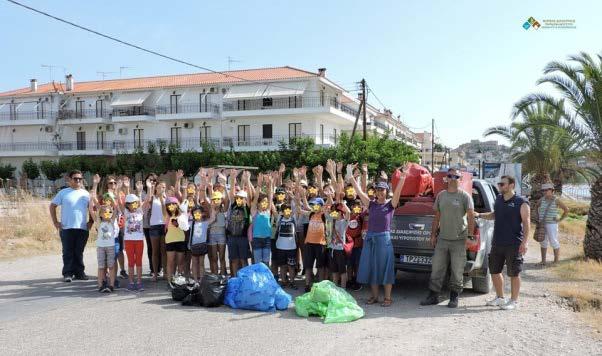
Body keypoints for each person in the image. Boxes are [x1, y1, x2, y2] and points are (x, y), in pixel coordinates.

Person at [349, 164, 406, 307]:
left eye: (382, 190)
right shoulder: (371, 204)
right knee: (372, 267)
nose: (380, 192)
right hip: (370, 239)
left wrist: (403, 177)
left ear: (387, 191)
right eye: (378, 189)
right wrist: (351, 176)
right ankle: (374, 296)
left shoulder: (390, 204)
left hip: (384, 239)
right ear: (375, 191)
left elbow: (398, 192)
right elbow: (359, 191)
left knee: (386, 268)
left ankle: (387, 298)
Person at [420, 168, 475, 308]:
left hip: (459, 240)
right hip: (442, 239)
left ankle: (454, 297)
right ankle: (433, 296)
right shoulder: (441, 195)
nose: (452, 178)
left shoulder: (465, 196)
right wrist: (433, 235)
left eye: (455, 176)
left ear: (460, 179)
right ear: (446, 178)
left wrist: (470, 236)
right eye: (450, 176)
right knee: (437, 268)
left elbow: (471, 217)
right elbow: (437, 217)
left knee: (457, 270)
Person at [476, 175, 530, 310]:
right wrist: (480, 215)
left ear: (511, 185)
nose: (500, 186)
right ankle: (500, 298)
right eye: (499, 184)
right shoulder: (499, 199)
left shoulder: (521, 202)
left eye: (502, 184)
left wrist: (525, 242)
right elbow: (495, 215)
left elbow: (527, 222)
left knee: (514, 273)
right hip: (497, 242)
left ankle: (514, 301)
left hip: (514, 243)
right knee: (494, 270)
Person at [49, 170, 91, 282]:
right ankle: (68, 273)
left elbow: (92, 209)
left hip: (82, 227)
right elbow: (52, 206)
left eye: (80, 179)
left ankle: (79, 273)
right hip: (66, 228)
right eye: (75, 178)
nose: (78, 181)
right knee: (67, 252)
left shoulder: (86, 194)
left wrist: (91, 221)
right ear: (69, 180)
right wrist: (55, 222)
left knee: (79, 251)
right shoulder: (63, 193)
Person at [226, 171, 252, 276]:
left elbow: (250, 196)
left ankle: (245, 279)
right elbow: (232, 194)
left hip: (242, 238)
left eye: (241, 198)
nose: (239, 199)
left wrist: (247, 180)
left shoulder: (247, 207)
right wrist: (232, 179)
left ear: (245, 199)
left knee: (243, 260)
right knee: (234, 260)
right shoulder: (233, 206)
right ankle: (235, 279)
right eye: (238, 198)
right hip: (232, 237)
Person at [536, 183, 568, 265]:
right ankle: (543, 261)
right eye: (543, 190)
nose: (545, 191)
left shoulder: (556, 200)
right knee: (543, 241)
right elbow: (536, 207)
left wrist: (560, 219)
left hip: (552, 224)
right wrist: (538, 217)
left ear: (552, 190)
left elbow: (566, 209)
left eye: (547, 190)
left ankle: (556, 261)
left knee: (553, 241)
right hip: (542, 224)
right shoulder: (541, 200)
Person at [89, 194, 116, 293]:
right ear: (100, 214)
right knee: (101, 266)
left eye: (109, 211)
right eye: (105, 212)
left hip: (110, 247)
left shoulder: (112, 221)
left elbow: (115, 208)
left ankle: (111, 285)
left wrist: (111, 199)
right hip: (101, 247)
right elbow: (92, 210)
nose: (107, 213)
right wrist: (92, 198)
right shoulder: (98, 222)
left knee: (111, 266)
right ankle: (100, 285)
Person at [121, 191, 146, 292]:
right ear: (127, 205)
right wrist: (119, 189)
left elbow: (145, 200)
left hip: (139, 240)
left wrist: (141, 191)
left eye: (135, 202)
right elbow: (118, 203)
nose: (134, 205)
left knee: (139, 261)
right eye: (131, 203)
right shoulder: (126, 213)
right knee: (131, 262)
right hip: (129, 240)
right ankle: (131, 282)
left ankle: (139, 282)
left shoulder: (140, 211)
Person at [145, 178, 167, 282]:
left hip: (164, 226)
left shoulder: (166, 198)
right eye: (160, 187)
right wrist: (150, 188)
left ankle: (165, 273)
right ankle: (155, 273)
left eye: (163, 187)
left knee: (164, 251)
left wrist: (163, 200)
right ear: (156, 188)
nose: (162, 189)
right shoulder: (152, 198)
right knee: (155, 251)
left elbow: (165, 214)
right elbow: (147, 203)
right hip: (154, 226)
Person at [251, 175, 276, 266]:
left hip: (267, 239)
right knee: (258, 263)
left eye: (266, 202)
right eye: (263, 201)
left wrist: (270, 184)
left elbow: (270, 196)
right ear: (258, 203)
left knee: (266, 262)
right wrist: (259, 184)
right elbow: (256, 197)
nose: (265, 203)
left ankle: (265, 279)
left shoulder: (268, 211)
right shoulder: (254, 211)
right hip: (257, 239)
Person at [164, 196, 189, 284]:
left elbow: (186, 227)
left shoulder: (182, 214)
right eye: (169, 205)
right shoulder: (167, 215)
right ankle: (170, 281)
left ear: (177, 205)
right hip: (169, 241)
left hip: (180, 240)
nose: (171, 206)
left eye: (173, 204)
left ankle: (180, 281)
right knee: (170, 262)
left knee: (180, 262)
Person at [189, 205, 215, 282]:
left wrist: (212, 208)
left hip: (202, 245)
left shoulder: (205, 223)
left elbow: (213, 218)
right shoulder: (191, 223)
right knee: (194, 263)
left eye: (199, 213)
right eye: (195, 213)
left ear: (202, 213)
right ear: (192, 214)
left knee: (201, 263)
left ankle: (201, 280)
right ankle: (195, 280)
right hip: (193, 245)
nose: (197, 214)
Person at [275, 203, 298, 289]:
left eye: (289, 211)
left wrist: (293, 199)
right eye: (285, 211)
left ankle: (292, 282)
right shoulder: (280, 218)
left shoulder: (293, 218)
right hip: (280, 247)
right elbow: (277, 227)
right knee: (282, 266)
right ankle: (284, 281)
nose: (287, 212)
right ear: (282, 212)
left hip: (291, 247)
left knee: (291, 266)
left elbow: (296, 208)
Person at [329, 202, 350, 289]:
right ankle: (335, 289)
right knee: (334, 271)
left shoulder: (343, 222)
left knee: (342, 271)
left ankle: (343, 289)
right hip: (332, 249)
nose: (333, 213)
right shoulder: (331, 221)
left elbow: (348, 212)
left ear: (340, 212)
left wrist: (344, 203)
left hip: (340, 249)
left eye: (335, 212)